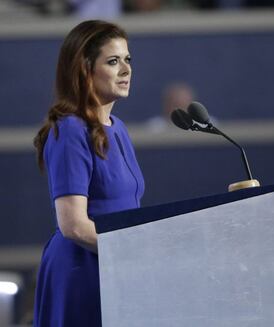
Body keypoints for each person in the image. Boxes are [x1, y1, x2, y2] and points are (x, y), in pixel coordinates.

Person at [32, 20, 145, 326]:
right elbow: (74, 226)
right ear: (84, 69)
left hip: (116, 266)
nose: (126, 69)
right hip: (82, 273)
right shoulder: (69, 130)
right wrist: (135, 250)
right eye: (113, 61)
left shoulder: (118, 129)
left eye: (127, 59)